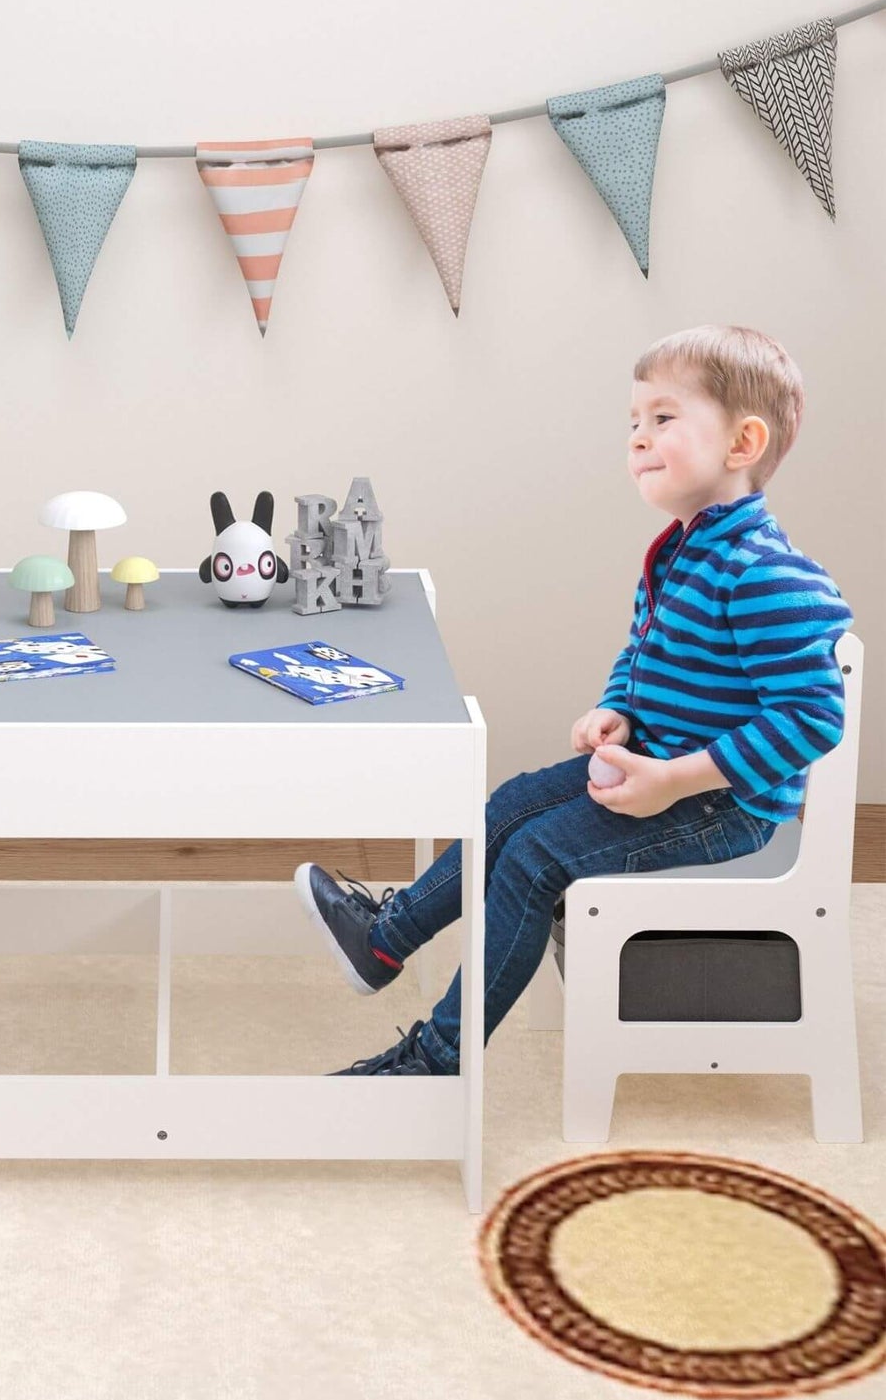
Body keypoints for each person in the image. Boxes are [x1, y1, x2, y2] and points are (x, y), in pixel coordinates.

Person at [296, 325, 854, 1076]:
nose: (637, 437)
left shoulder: (764, 572)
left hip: (727, 802)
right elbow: (643, 651)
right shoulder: (680, 549)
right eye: (632, 422)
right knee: (509, 805)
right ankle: (385, 939)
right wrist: (616, 708)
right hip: (653, 767)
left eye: (662, 418)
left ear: (741, 442)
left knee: (534, 856)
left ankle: (437, 1058)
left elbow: (812, 715)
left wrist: (677, 780)